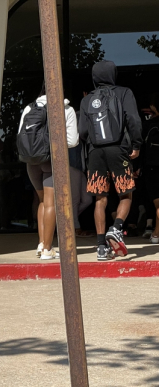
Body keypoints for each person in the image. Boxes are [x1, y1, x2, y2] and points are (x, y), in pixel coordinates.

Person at [79, 60, 143, 261]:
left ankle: (100, 247)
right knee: (126, 194)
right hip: (118, 149)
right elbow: (133, 119)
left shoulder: (86, 100)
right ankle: (116, 229)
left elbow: (82, 132)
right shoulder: (124, 93)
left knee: (100, 198)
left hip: (96, 152)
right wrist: (137, 144)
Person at [18, 84, 79, 260]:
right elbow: (73, 140)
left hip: (31, 162)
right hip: (51, 161)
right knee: (52, 203)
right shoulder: (66, 109)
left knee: (42, 201)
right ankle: (47, 249)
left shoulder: (30, 107)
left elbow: (21, 134)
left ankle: (41, 243)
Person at [142, 93, 159, 242]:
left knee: (155, 201)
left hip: (152, 165)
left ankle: (156, 232)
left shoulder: (150, 125)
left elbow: (140, 145)